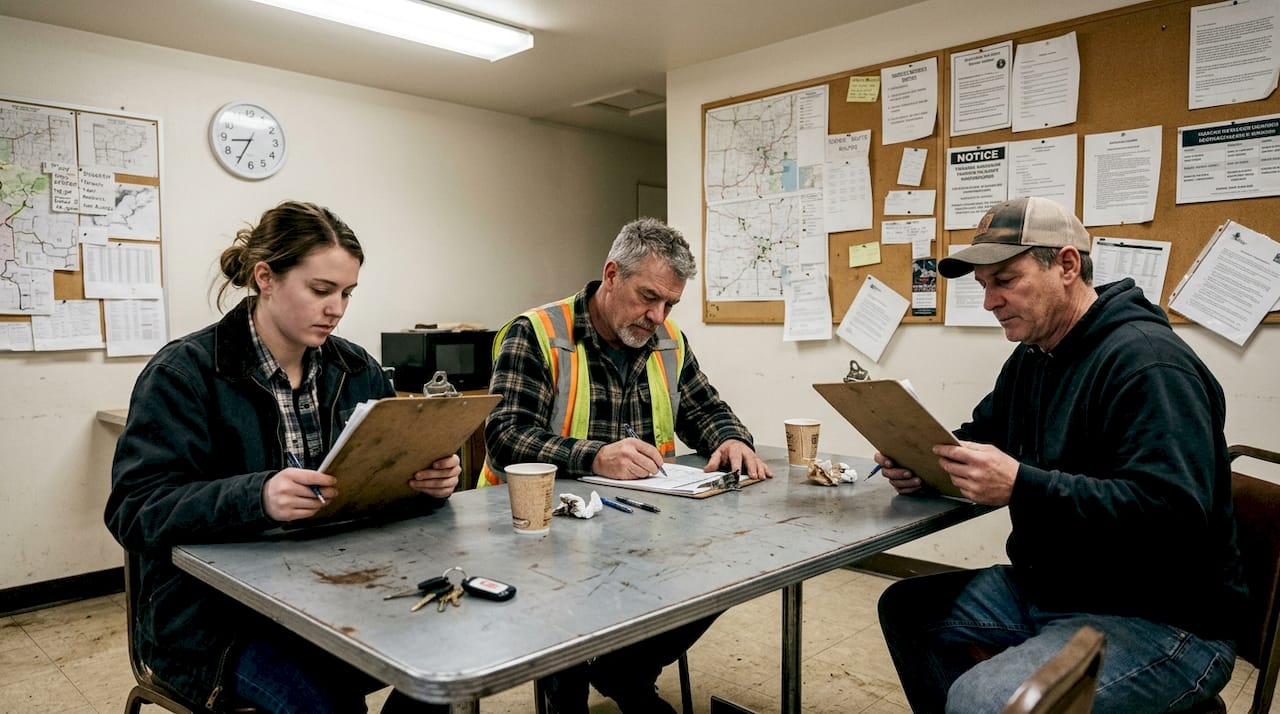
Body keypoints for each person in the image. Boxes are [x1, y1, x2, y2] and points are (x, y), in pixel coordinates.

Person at [875, 196, 1247, 713]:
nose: (990, 302)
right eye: (983, 286)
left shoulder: (1149, 364)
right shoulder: (1034, 358)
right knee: (908, 608)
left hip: (1163, 619)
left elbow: (1174, 512)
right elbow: (982, 438)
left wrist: (1022, 485)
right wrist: (920, 461)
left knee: (983, 700)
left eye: (1005, 280)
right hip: (1056, 590)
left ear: (1067, 265)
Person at [104, 201, 461, 713]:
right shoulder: (184, 374)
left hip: (336, 591)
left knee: (447, 661)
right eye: (321, 290)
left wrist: (426, 482)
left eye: (347, 293)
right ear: (265, 278)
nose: (337, 308)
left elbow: (380, 486)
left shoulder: (356, 368)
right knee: (324, 699)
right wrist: (259, 496)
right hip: (215, 618)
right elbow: (134, 509)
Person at [484, 217, 771, 713]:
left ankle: (626, 671)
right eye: (648, 297)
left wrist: (731, 438)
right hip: (542, 532)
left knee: (727, 574)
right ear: (612, 274)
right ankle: (570, 692)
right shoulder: (537, 333)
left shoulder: (668, 340)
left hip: (640, 525)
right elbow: (505, 436)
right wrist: (594, 455)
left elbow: (705, 408)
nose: (657, 316)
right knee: (566, 610)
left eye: (669, 304)